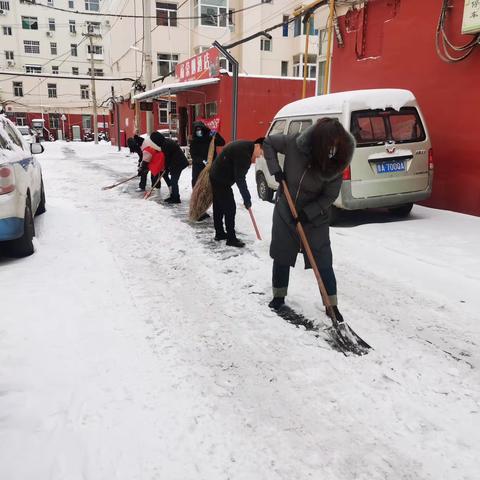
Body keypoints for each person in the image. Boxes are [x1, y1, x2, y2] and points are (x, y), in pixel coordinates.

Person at [262, 118, 355, 322]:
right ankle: (278, 297)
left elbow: (329, 196)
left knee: (322, 260)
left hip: (315, 217)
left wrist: (308, 213)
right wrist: (275, 170)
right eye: (327, 145)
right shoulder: (296, 143)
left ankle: (332, 305)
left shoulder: (339, 160)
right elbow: (268, 142)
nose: (331, 150)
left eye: (335, 146)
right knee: (282, 253)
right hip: (286, 207)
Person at [209, 138, 264, 248]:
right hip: (221, 179)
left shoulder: (245, 146)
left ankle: (219, 233)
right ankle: (231, 238)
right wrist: (247, 198)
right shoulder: (244, 154)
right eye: (261, 153)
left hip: (216, 175)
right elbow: (240, 178)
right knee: (230, 209)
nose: (259, 156)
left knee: (219, 206)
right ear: (257, 146)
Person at [149, 131, 188, 203]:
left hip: (178, 163)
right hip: (175, 163)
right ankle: (173, 196)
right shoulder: (165, 142)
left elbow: (167, 158)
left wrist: (166, 168)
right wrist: (166, 167)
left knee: (174, 181)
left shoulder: (166, 144)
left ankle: (176, 198)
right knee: (173, 181)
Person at [189, 121, 225, 187]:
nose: (199, 131)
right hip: (198, 166)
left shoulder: (209, 137)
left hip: (211, 164)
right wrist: (203, 161)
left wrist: (216, 134)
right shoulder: (194, 142)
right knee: (197, 182)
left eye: (200, 129)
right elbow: (194, 155)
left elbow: (222, 143)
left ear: (203, 129)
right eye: (197, 130)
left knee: (211, 182)